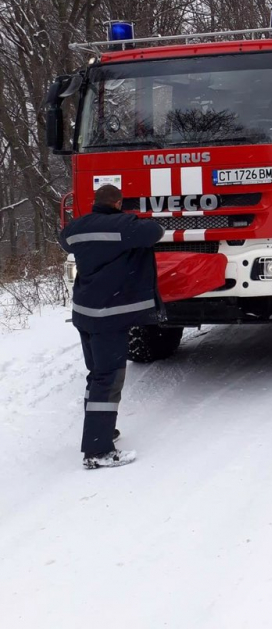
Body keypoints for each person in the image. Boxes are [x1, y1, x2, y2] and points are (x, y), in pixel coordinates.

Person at [59, 184, 164, 469]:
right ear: (118, 203)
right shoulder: (126, 226)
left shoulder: (77, 227)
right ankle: (98, 451)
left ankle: (103, 433)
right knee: (108, 379)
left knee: (96, 375)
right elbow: (155, 233)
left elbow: (64, 242)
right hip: (110, 316)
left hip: (85, 313)